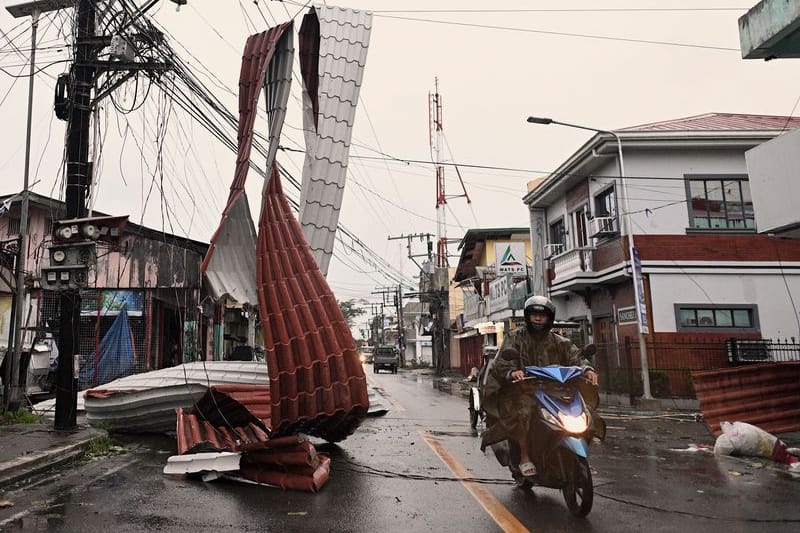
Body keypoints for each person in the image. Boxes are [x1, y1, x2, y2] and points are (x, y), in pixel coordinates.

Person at [480, 295, 597, 477]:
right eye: (534, 315)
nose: (537, 319)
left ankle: (577, 454)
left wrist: (587, 369)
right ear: (527, 316)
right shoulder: (515, 338)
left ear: (549, 318)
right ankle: (525, 456)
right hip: (523, 390)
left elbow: (577, 357)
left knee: (585, 412)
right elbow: (502, 361)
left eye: (542, 316)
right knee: (523, 411)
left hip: (556, 391)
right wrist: (512, 372)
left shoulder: (560, 342)